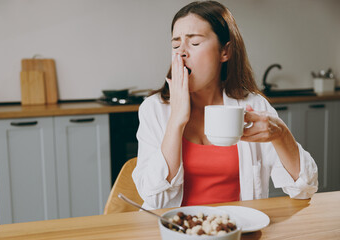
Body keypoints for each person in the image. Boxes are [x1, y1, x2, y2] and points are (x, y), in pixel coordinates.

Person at [132, 1, 318, 210]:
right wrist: (176, 119)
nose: (181, 53)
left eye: (194, 43)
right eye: (175, 45)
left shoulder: (253, 106)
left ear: (225, 51)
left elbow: (305, 189)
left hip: (237, 230)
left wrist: (281, 135)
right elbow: (155, 199)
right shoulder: (154, 109)